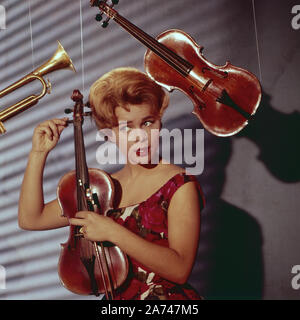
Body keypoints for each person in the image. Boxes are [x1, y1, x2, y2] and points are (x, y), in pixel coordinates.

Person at [18, 67, 205, 300]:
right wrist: (38, 154)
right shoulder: (103, 188)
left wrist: (112, 231)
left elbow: (179, 270)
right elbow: (31, 219)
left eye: (148, 123)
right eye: (127, 127)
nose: (141, 136)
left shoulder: (179, 185)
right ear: (109, 134)